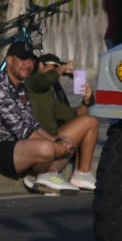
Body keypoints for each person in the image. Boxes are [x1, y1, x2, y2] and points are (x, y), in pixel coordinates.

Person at [0, 42, 98, 192]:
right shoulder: (31, 82)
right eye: (23, 59)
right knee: (47, 148)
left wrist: (86, 100)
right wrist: (55, 145)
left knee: (85, 126)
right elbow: (21, 130)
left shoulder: (23, 87)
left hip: (29, 145)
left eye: (31, 60)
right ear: (9, 60)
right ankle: (41, 175)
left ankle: (81, 174)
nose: (28, 64)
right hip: (6, 147)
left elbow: (34, 123)